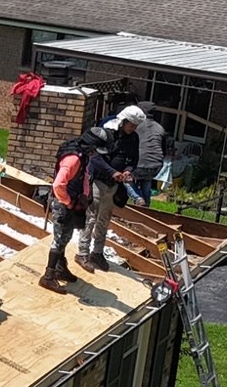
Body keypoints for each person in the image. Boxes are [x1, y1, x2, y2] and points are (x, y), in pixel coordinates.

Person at [40, 128, 121, 292]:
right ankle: (48, 276)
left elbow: (84, 175)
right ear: (90, 146)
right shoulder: (73, 159)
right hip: (63, 203)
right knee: (60, 239)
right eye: (94, 151)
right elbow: (58, 184)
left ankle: (60, 269)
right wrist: (68, 202)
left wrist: (85, 194)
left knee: (66, 236)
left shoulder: (83, 155)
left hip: (73, 199)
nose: (95, 154)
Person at [79, 124, 134, 273]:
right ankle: (82, 253)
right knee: (91, 218)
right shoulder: (104, 137)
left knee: (104, 220)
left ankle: (97, 253)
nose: (133, 128)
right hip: (98, 181)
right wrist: (112, 171)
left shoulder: (131, 139)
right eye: (131, 125)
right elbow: (95, 159)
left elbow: (132, 159)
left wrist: (128, 170)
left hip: (113, 185)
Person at [131, 102, 170, 203]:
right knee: (146, 183)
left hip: (139, 164)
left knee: (126, 179)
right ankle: (146, 207)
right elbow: (164, 149)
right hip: (156, 165)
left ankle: (137, 198)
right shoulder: (160, 128)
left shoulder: (135, 126)